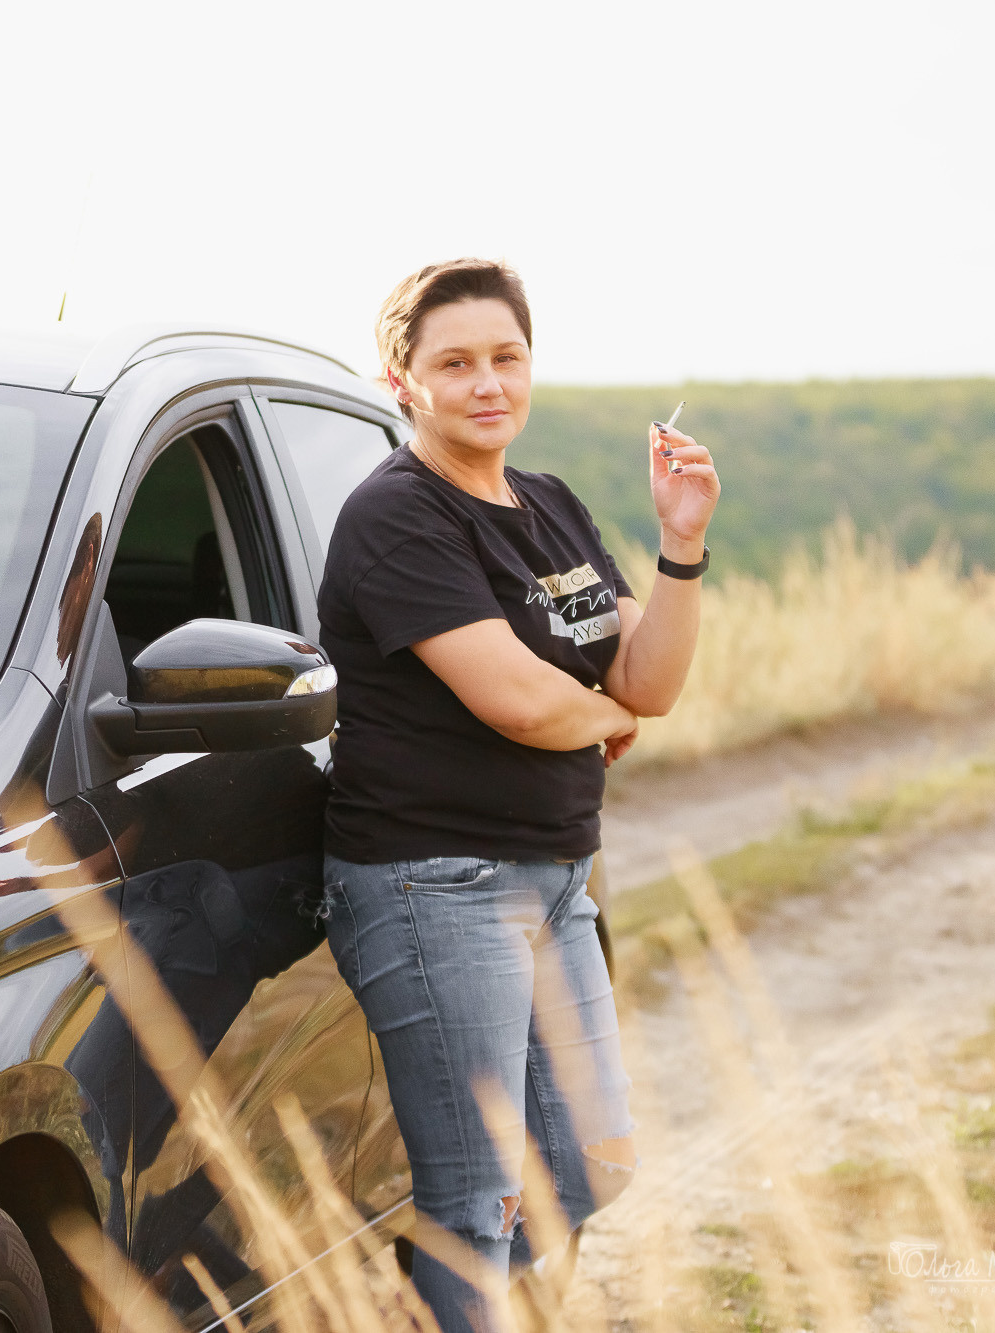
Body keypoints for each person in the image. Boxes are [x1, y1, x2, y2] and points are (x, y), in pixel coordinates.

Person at [319, 258, 720, 1332]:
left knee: (588, 1165)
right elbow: (518, 700)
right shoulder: (396, 515)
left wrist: (678, 545)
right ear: (402, 380)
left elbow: (648, 679)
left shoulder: (545, 506)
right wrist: (607, 715)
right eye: (454, 363)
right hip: (431, 884)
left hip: (550, 880)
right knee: (479, 1198)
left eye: (505, 356)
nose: (486, 382)